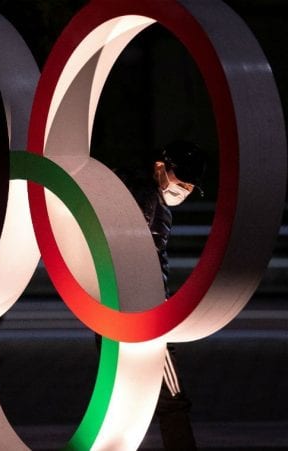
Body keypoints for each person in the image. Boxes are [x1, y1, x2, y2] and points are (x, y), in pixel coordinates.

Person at [115, 139, 207, 451]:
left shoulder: (145, 194)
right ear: (160, 167)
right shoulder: (144, 194)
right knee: (172, 397)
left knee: (119, 396)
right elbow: (137, 248)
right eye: (183, 182)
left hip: (118, 309)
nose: (186, 190)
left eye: (190, 186)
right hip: (145, 311)